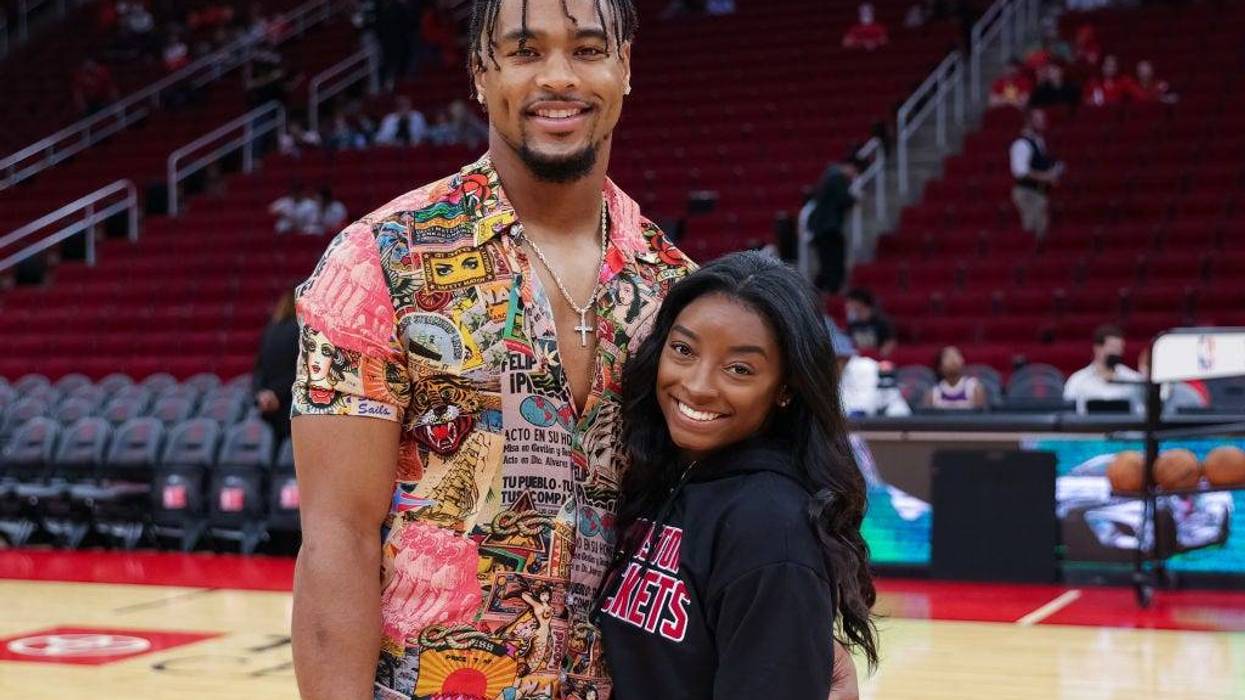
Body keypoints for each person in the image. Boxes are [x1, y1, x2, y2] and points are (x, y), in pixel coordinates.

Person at [290, 1, 860, 698]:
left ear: (624, 68)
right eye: (525, 51)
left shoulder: (672, 290)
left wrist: (795, 625)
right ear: (479, 71)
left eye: (588, 50)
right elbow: (336, 535)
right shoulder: (379, 263)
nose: (557, 77)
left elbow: (728, 510)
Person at [598, 252, 878, 698]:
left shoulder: (773, 529)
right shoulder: (664, 476)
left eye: (739, 369)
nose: (698, 385)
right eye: (684, 350)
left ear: (786, 388)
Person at [807, 155, 864, 295]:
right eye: (855, 171)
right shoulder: (837, 178)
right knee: (833, 265)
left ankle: (817, 294)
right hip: (828, 230)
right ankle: (829, 293)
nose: (854, 176)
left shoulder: (829, 177)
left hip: (823, 229)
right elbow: (843, 199)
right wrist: (856, 198)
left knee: (827, 266)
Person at [252, 288, 300, 447]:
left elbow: (258, 370)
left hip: (268, 406)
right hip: (290, 403)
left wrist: (262, 394)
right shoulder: (301, 330)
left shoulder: (271, 330)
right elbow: (300, 370)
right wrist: (277, 394)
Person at [1063, 324, 1144, 414]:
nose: (1117, 352)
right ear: (1097, 348)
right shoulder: (1078, 381)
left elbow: (1142, 412)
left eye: (1120, 348)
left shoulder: (1133, 379)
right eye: (1112, 347)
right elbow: (1069, 414)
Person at [1009, 108, 1063, 238]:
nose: (1043, 122)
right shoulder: (1021, 144)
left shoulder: (1039, 142)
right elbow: (1021, 172)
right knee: (1032, 230)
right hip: (1028, 193)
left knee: (1041, 229)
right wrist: (1046, 177)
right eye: (1039, 119)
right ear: (1029, 121)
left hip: (1039, 192)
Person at [926, 346, 987, 410]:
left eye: (956, 355)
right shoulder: (933, 393)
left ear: (963, 361)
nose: (953, 359)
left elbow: (982, 417)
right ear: (940, 367)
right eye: (947, 356)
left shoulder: (975, 388)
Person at [843, 287, 896, 357]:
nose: (847, 305)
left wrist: (880, 356)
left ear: (860, 302)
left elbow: (890, 343)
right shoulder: (853, 323)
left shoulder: (880, 322)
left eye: (849, 301)